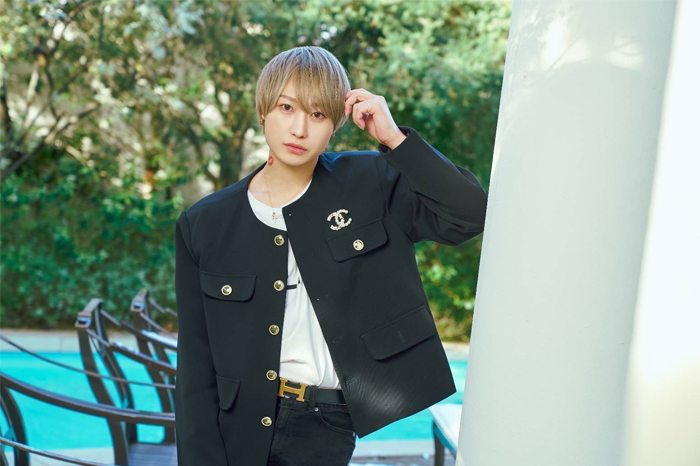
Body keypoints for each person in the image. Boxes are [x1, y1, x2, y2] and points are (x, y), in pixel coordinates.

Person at [174, 46, 488, 466]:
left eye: (318, 114)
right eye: (287, 107)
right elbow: (195, 366)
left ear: (336, 124)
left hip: (324, 426)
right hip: (237, 428)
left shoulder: (372, 181)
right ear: (264, 109)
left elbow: (469, 215)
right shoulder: (205, 223)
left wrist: (394, 139)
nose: (299, 128)